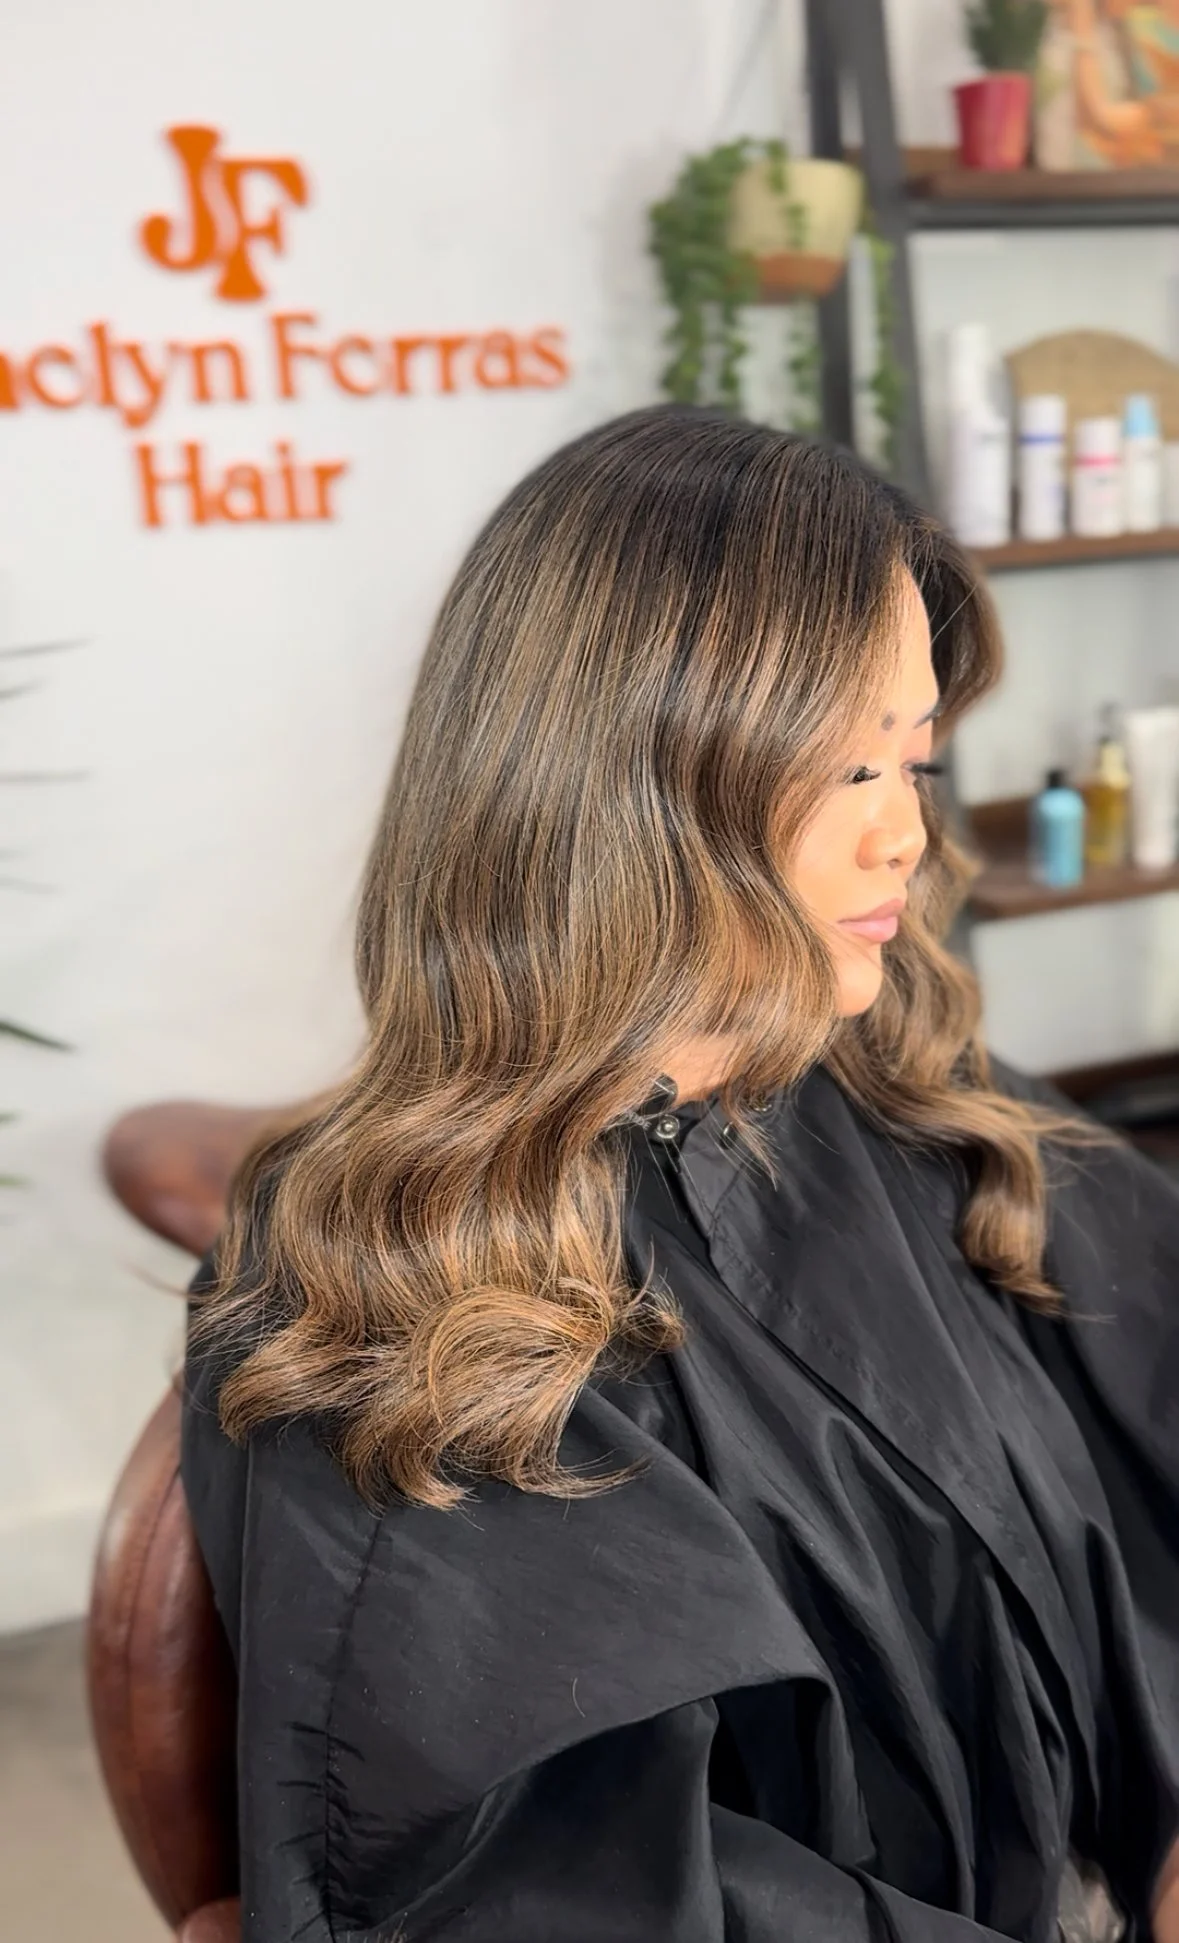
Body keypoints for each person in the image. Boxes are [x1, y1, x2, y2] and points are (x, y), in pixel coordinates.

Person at [183, 407, 1179, 1943]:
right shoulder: (393, 1287)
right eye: (848, 762)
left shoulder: (904, 1095)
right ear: (629, 774)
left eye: (914, 755)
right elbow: (558, 1893)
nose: (905, 833)